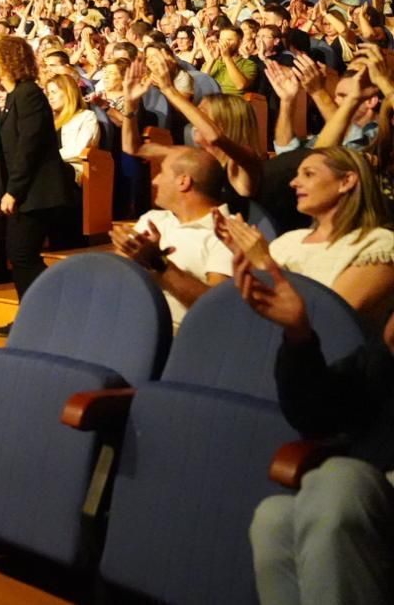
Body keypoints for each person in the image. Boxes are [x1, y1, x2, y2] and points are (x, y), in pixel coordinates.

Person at [239, 246, 394, 605]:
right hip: (374, 491)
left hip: (365, 488)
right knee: (273, 519)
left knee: (340, 481)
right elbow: (315, 416)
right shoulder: (378, 363)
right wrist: (298, 335)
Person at [219, 148, 394, 323]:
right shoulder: (288, 241)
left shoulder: (377, 245)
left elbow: (329, 321)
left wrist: (264, 263)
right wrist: (243, 255)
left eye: (309, 175)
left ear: (346, 181)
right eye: (297, 175)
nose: (293, 183)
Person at [0, 36, 75, 334]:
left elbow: (29, 149)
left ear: (9, 61)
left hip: (37, 191)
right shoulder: (13, 98)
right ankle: (35, 316)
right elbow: (8, 153)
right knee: (20, 254)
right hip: (23, 191)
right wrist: (0, 192)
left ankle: (54, 309)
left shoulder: (29, 94)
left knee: (23, 254)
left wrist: (14, 191)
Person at [110, 147, 232, 326]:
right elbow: (115, 277)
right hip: (127, 325)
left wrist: (159, 264)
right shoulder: (153, 219)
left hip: (180, 337)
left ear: (183, 182)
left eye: (161, 172)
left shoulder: (228, 233)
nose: (154, 181)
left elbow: (217, 308)